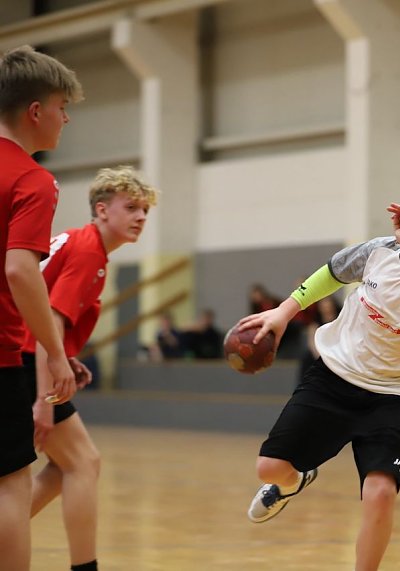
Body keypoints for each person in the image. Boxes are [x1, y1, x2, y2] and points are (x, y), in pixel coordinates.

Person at [241, 179, 400, 571]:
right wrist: (284, 311)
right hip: (334, 376)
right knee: (270, 468)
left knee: (381, 495)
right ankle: (294, 482)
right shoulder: (378, 250)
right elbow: (332, 272)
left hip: (392, 394)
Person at [25, 166, 158, 571]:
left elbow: (45, 317)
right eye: (131, 207)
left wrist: (65, 357)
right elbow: (49, 319)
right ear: (102, 210)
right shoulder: (88, 252)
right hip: (21, 359)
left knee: (67, 466)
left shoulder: (83, 244)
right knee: (84, 462)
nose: (140, 217)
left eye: (145, 210)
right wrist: (42, 399)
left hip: (24, 354)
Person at [0, 44, 81, 571]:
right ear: (36, 111)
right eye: (61, 106)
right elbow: (19, 270)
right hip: (1, 354)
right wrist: (53, 352)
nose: (65, 118)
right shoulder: (33, 179)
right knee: (10, 484)